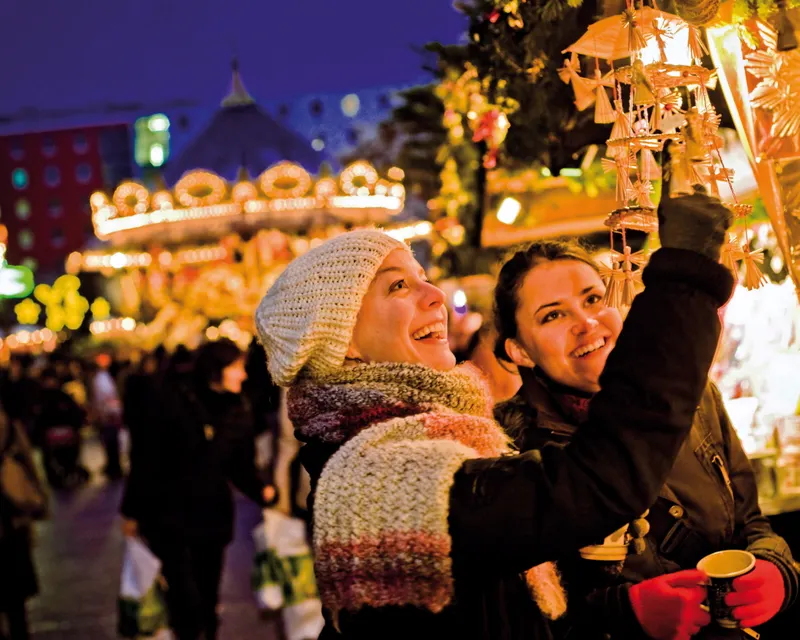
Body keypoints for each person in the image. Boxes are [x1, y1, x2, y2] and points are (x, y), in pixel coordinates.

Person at [254, 183, 734, 640]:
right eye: (398, 286)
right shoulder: (381, 477)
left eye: (423, 278)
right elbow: (595, 483)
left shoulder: (442, 441)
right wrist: (683, 284)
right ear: (345, 343)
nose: (435, 295)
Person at [492, 233, 799, 639]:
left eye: (592, 299)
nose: (586, 323)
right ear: (520, 351)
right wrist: (625, 613)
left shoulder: (689, 393)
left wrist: (776, 571)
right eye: (553, 316)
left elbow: (750, 522)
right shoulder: (506, 450)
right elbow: (519, 619)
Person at [120, 339, 275, 640]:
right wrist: (131, 511)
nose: (243, 375)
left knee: (207, 597)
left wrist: (266, 493)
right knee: (184, 599)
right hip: (168, 516)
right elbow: (147, 458)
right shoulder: (172, 400)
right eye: (237, 368)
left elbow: (240, 467)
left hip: (211, 516)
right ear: (217, 369)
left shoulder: (238, 407)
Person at [0, 403, 47, 640]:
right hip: (12, 516)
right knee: (15, 602)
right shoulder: (7, 419)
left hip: (10, 516)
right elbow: (28, 461)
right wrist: (40, 500)